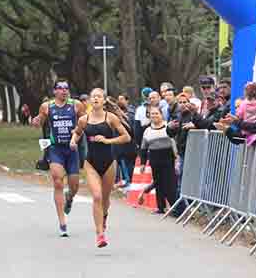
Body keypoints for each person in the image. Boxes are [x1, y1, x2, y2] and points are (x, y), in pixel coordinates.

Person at [70, 88, 131, 247]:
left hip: (109, 162)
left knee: (105, 198)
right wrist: (73, 141)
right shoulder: (84, 119)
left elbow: (126, 137)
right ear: (90, 100)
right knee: (96, 196)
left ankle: (104, 217)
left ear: (104, 100)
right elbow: (77, 132)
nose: (96, 99)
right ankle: (100, 234)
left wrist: (107, 141)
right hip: (90, 163)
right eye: (93, 97)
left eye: (99, 96)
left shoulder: (110, 118)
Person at [31, 80, 86, 237]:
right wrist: (35, 121)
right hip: (56, 149)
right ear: (54, 91)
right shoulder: (47, 106)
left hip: (72, 148)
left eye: (66, 88)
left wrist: (78, 136)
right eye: (60, 88)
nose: (64, 91)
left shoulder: (76, 105)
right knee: (57, 181)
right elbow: (39, 121)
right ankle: (62, 222)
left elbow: (84, 123)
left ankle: (70, 198)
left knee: (74, 185)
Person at [140, 106, 178, 214]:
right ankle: (160, 207)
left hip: (168, 158)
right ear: (149, 116)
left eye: (157, 113)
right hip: (154, 159)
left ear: (161, 115)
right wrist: (143, 163)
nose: (155, 116)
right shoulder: (147, 130)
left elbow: (174, 141)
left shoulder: (168, 126)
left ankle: (175, 208)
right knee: (158, 184)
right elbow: (143, 148)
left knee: (170, 184)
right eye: (152, 114)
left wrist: (176, 157)